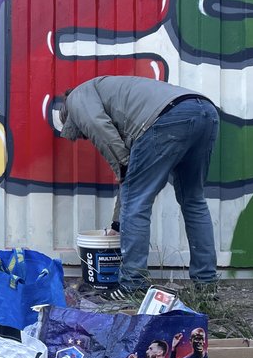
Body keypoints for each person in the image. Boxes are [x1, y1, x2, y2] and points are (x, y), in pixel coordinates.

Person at [54, 76, 220, 300]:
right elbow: (129, 172)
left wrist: (122, 167)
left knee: (137, 203)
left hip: (166, 119)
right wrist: (117, 224)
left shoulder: (76, 99)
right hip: (205, 113)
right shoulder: (111, 96)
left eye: (80, 134)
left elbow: (102, 133)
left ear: (70, 118)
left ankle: (132, 285)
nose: (84, 138)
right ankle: (206, 285)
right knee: (194, 200)